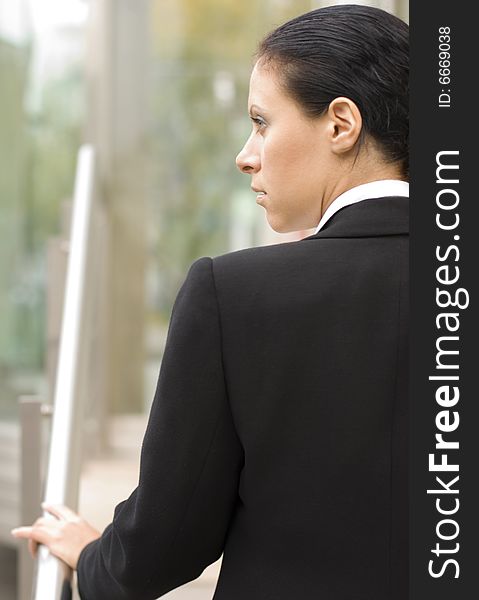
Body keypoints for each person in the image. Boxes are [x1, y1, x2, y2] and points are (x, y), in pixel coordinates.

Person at [11, 4, 409, 599]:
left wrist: (96, 558)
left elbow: (168, 538)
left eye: (261, 122)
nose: (246, 155)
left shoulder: (235, 296)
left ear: (341, 125)